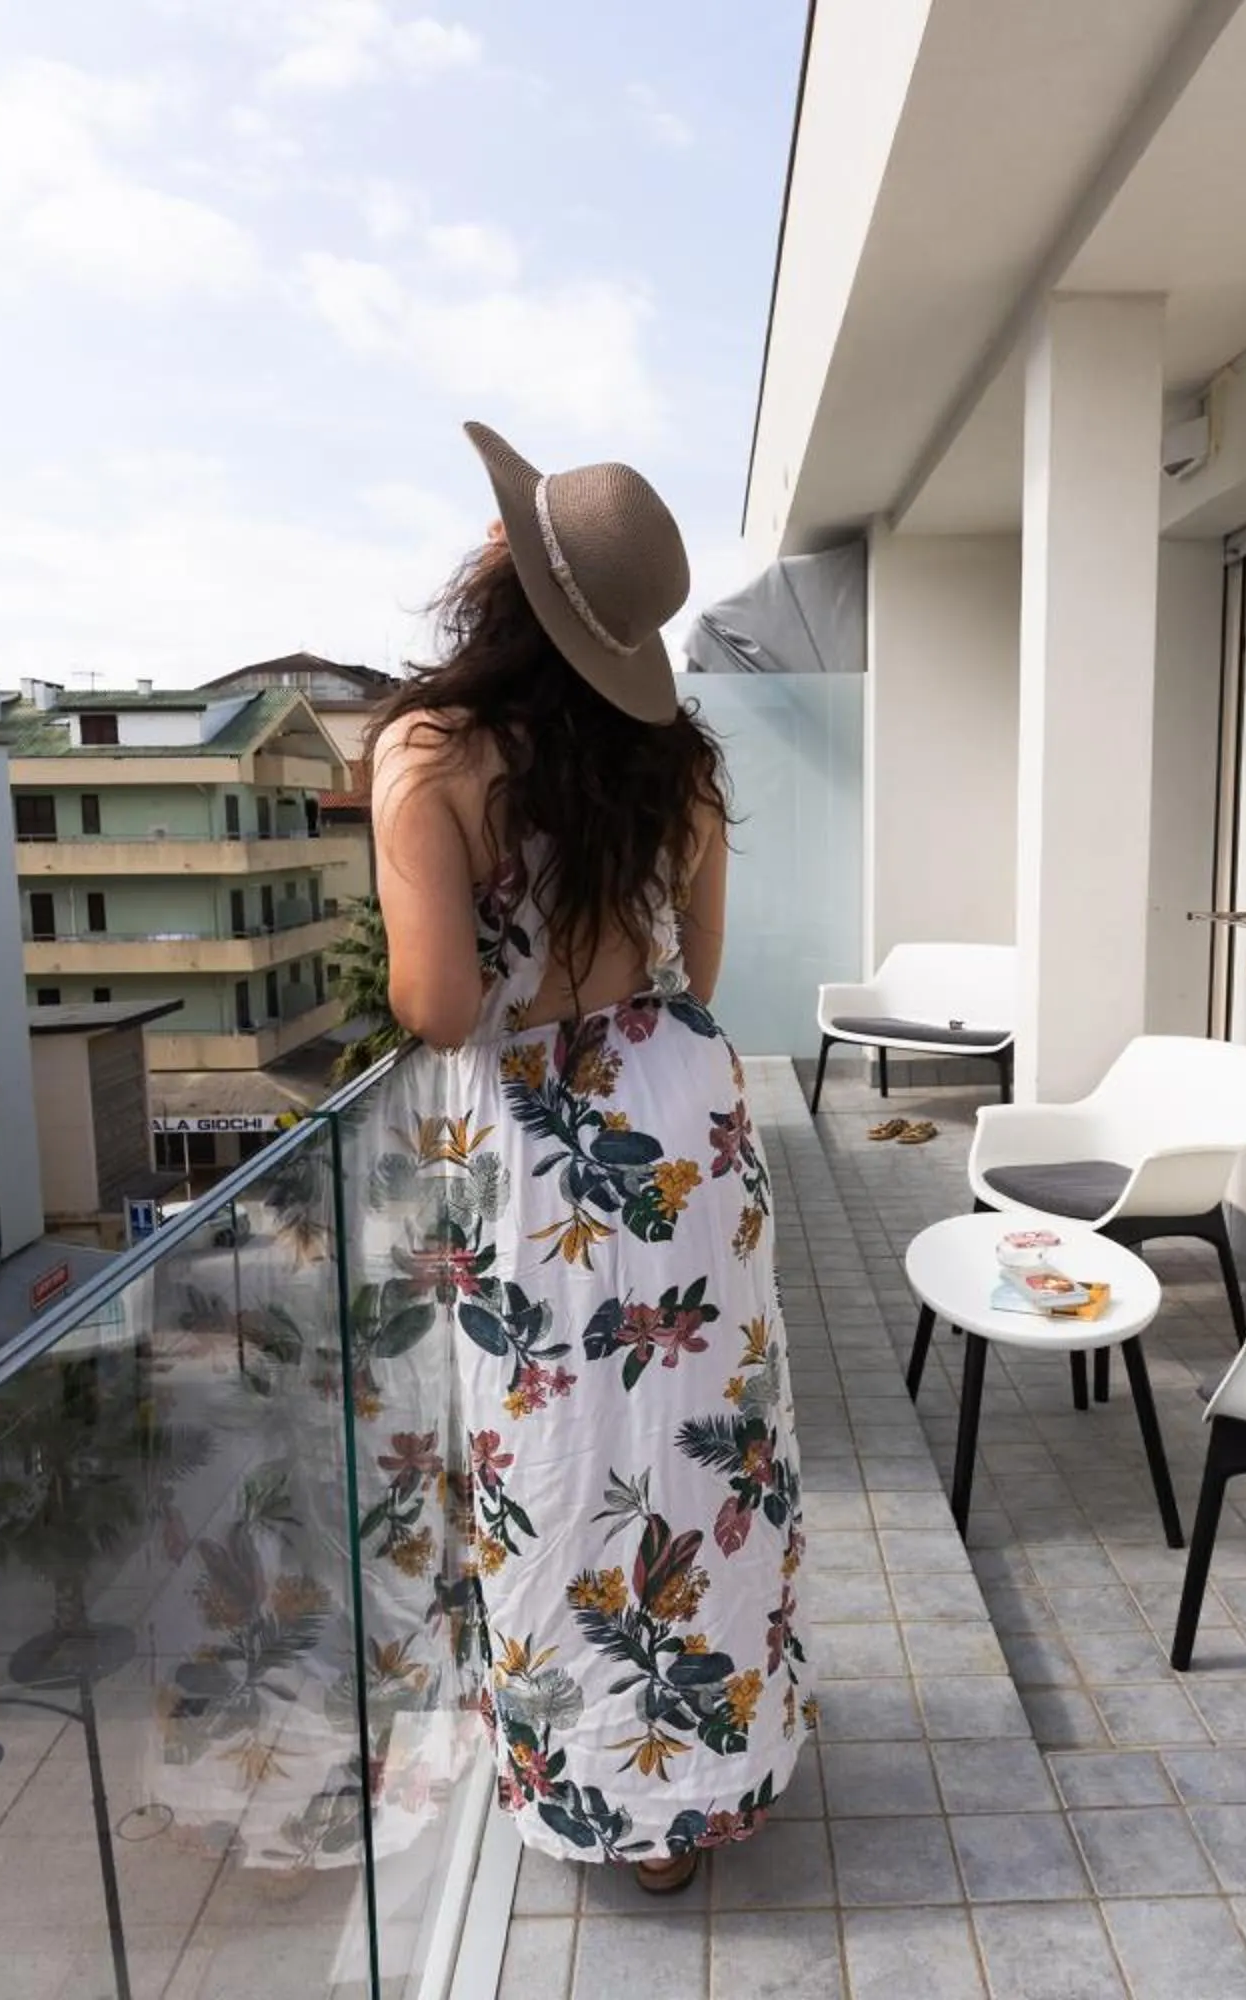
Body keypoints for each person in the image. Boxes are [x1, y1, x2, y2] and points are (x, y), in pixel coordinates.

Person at [367, 423, 808, 1895]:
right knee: (701, 1449)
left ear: (501, 574)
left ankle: (605, 1794)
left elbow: (439, 1007)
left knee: (555, 1468)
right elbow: (701, 976)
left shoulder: (430, 753)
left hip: (538, 1157)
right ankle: (703, 1779)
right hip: (682, 1131)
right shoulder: (677, 760)